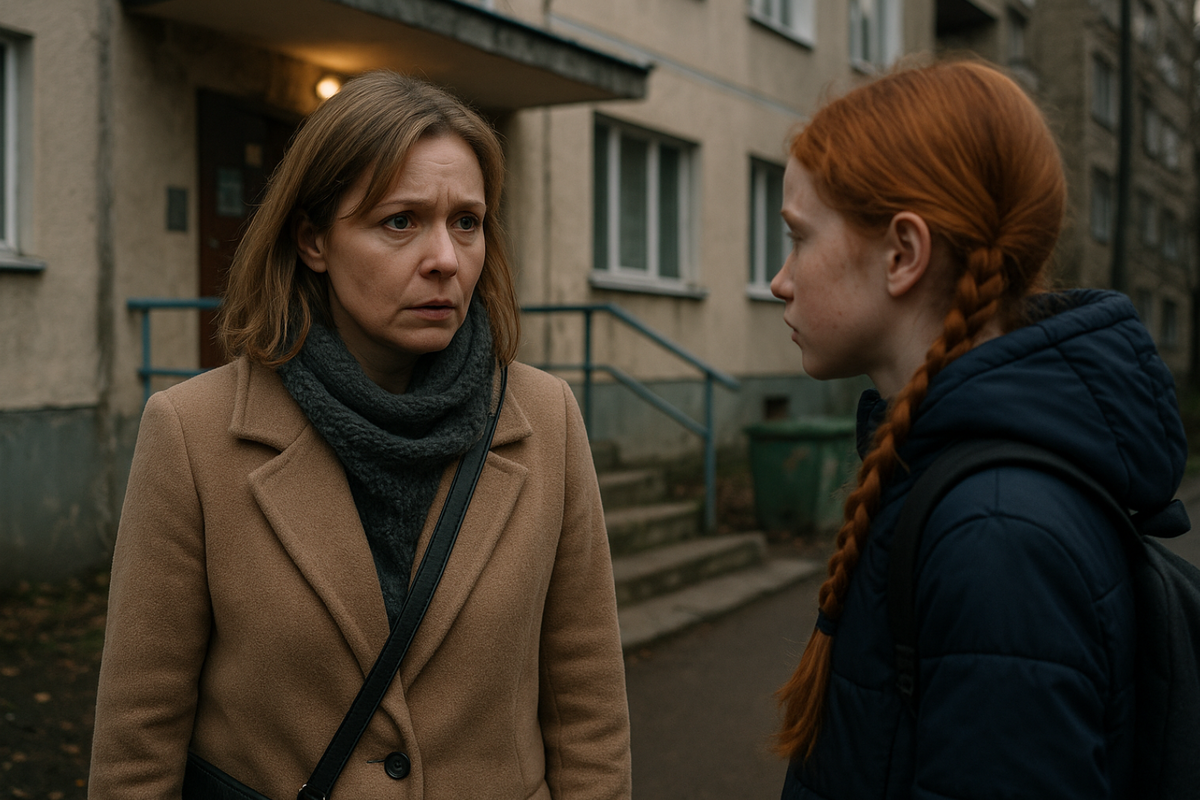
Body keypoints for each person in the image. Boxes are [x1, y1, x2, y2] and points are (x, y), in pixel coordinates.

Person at [89, 71, 631, 800]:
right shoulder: (193, 434)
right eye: (400, 221)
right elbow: (137, 745)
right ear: (313, 238)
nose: (445, 258)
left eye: (466, 222)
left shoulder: (546, 418)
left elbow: (589, 711)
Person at [769, 60, 1187, 797]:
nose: (780, 280)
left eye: (799, 238)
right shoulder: (963, 484)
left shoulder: (997, 532)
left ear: (903, 254)